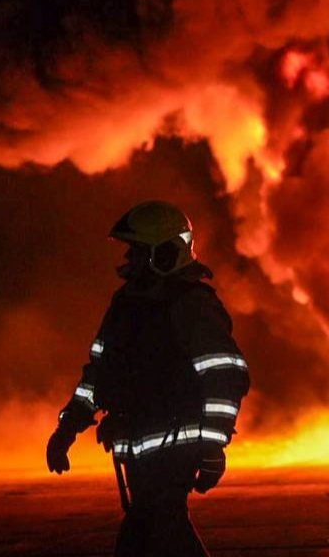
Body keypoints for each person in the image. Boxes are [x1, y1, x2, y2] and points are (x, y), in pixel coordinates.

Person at [45, 201, 250, 557]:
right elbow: (99, 373)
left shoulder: (191, 306)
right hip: (138, 450)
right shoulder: (126, 304)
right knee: (152, 533)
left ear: (166, 253)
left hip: (174, 448)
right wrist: (68, 427)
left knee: (152, 530)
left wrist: (213, 444)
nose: (130, 260)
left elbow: (224, 375)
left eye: (139, 252)